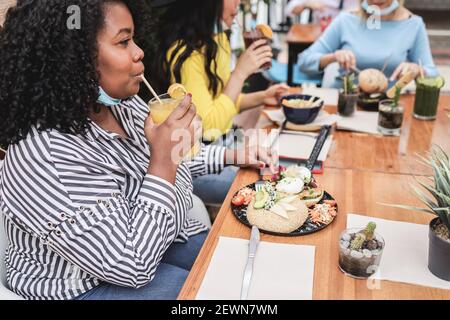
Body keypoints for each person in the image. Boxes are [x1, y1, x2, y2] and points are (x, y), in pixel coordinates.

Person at [0, 0, 276, 300]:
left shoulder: (122, 105)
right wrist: (162, 163)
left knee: (238, 265)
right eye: (123, 41)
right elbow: (131, 263)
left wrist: (230, 155)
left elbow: (167, 154)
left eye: (134, 38)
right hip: (81, 286)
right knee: (209, 293)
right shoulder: (47, 153)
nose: (138, 51)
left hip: (147, 239)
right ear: (72, 56)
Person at [148, 0, 287, 204]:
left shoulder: (217, 39)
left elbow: (220, 102)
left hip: (225, 143)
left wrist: (262, 97)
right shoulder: (184, 54)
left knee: (279, 161)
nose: (239, 3)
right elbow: (208, 126)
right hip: (194, 160)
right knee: (262, 187)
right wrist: (239, 73)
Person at [297, 0, 439, 89]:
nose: (376, 0)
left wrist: (418, 70)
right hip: (345, 104)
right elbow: (304, 61)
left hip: (388, 106)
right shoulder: (346, 20)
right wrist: (333, 57)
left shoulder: (414, 24)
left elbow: (434, 75)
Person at [285, 0, 359, 24]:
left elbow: (369, 8)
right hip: (320, 38)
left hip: (349, 36)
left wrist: (359, 9)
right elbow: (289, 10)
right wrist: (306, 5)